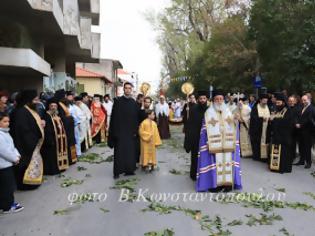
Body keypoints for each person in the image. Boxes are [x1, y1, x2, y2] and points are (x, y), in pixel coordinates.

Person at [196, 90, 242, 192]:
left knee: (228, 163)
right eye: (217, 99)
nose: (219, 101)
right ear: (213, 100)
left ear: (223, 100)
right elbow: (204, 129)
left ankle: (228, 185)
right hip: (215, 143)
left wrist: (236, 120)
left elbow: (234, 125)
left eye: (221, 99)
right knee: (216, 164)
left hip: (227, 142)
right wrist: (207, 141)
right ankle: (216, 185)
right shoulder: (208, 113)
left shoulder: (229, 111)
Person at [14, 90, 45, 190]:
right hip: (25, 144)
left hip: (32, 141)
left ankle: (33, 182)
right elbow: (23, 130)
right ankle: (26, 185)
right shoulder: (21, 112)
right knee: (25, 165)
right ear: (28, 100)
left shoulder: (29, 110)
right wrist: (34, 140)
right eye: (35, 100)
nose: (37, 102)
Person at [108, 82, 140, 179]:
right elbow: (113, 118)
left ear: (131, 90)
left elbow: (136, 118)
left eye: (129, 88)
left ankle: (129, 170)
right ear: (123, 89)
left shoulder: (134, 103)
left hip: (130, 132)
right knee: (119, 153)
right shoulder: (118, 101)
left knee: (130, 152)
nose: (127, 90)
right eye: (126, 88)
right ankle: (117, 172)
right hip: (120, 132)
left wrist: (135, 131)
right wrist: (113, 132)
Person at [0, 112, 24, 213]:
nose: (7, 123)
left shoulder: (5, 132)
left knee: (8, 184)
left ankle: (8, 203)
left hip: (8, 163)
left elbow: (12, 146)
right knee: (6, 186)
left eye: (8, 121)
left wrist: (17, 155)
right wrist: (14, 158)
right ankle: (7, 206)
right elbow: (4, 151)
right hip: (3, 164)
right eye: (5, 121)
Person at [184, 91, 209, 181]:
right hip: (196, 137)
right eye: (201, 98)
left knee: (205, 157)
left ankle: (204, 174)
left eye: (204, 98)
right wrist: (188, 139)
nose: (202, 100)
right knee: (195, 156)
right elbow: (190, 124)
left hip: (206, 138)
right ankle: (194, 174)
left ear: (206, 99)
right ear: (198, 99)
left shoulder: (209, 110)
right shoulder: (194, 109)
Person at [41, 98, 69, 175]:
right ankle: (53, 170)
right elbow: (47, 130)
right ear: (49, 107)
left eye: (55, 106)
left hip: (60, 139)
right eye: (51, 106)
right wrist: (50, 139)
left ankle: (61, 166)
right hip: (51, 139)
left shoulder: (58, 115)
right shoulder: (46, 116)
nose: (53, 107)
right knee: (51, 155)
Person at [269, 94, 294, 173]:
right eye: (276, 103)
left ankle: (283, 168)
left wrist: (275, 119)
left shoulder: (288, 111)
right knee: (276, 152)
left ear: (283, 103)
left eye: (279, 103)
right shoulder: (277, 111)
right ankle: (275, 167)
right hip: (277, 136)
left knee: (284, 153)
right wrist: (271, 119)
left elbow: (286, 123)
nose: (277, 104)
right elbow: (274, 122)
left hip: (284, 137)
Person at [54, 89, 77, 165]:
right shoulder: (59, 105)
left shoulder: (63, 104)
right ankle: (69, 159)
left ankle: (72, 159)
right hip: (65, 128)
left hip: (69, 127)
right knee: (67, 143)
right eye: (64, 96)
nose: (65, 97)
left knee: (71, 142)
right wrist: (70, 118)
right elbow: (61, 117)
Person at [294, 94, 314, 168]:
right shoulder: (303, 107)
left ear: (309, 99)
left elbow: (309, 120)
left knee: (307, 147)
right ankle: (301, 161)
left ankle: (308, 163)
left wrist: (300, 125)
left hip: (308, 132)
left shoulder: (312, 108)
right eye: (302, 100)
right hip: (301, 131)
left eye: (305, 100)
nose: (303, 101)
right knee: (301, 146)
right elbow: (299, 116)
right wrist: (296, 122)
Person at [249, 94, 271, 161]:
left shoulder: (268, 107)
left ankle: (264, 156)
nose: (265, 102)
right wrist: (261, 119)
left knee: (265, 141)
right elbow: (253, 118)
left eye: (266, 101)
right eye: (264, 101)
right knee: (257, 142)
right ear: (260, 100)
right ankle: (257, 156)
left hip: (266, 128)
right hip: (257, 128)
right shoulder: (255, 108)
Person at [288, 95, 301, 163]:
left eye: (292, 101)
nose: (291, 102)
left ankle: (292, 157)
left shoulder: (298, 109)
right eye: (290, 101)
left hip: (294, 130)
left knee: (293, 144)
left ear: (295, 102)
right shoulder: (286, 108)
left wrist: (296, 123)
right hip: (287, 129)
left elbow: (298, 119)